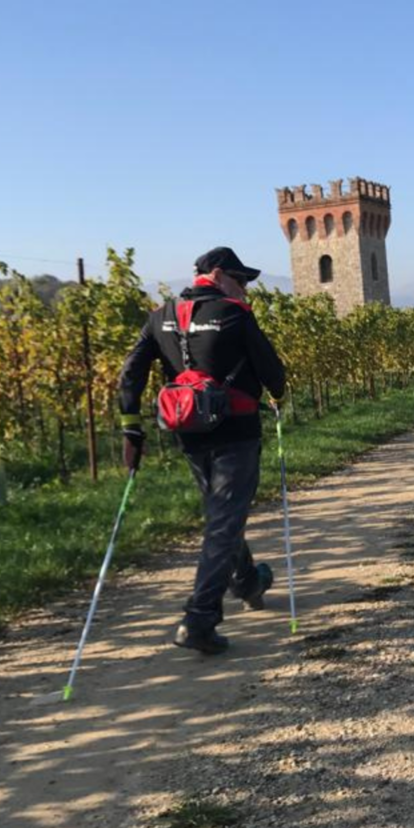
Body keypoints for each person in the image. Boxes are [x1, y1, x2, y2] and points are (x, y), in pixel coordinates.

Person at [117, 246, 287, 654]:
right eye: (240, 280)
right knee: (224, 521)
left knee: (222, 514)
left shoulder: (160, 317)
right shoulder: (235, 314)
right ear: (217, 274)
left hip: (189, 433)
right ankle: (199, 618)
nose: (245, 289)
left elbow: (129, 376)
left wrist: (132, 434)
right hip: (238, 431)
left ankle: (247, 581)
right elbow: (274, 378)